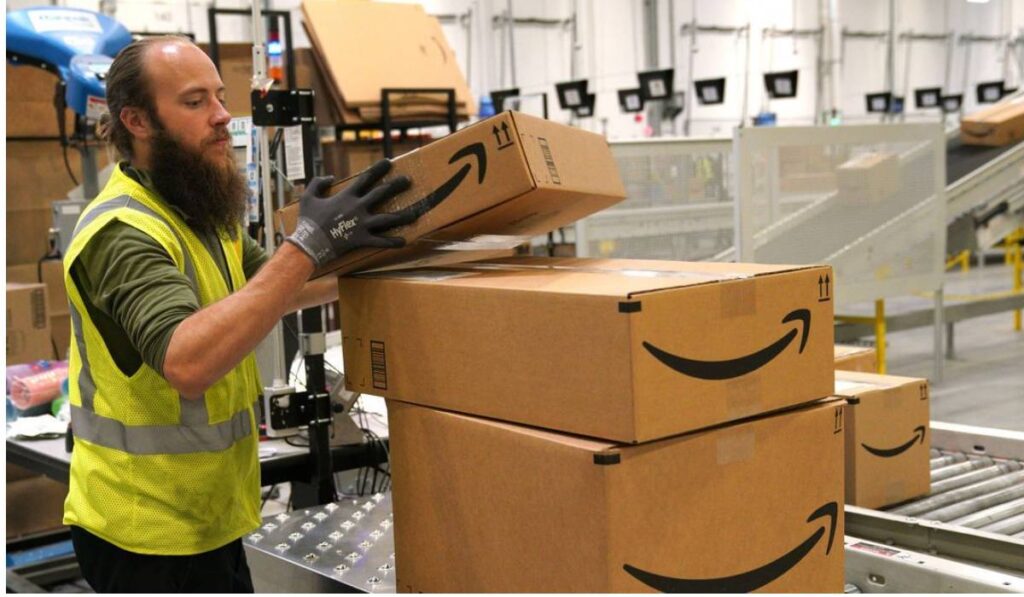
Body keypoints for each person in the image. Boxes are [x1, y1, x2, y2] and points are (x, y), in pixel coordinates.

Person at [61, 35, 419, 592]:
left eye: (221, 97)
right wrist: (305, 245)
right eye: (195, 101)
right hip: (144, 533)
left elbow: (274, 288)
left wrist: (374, 251)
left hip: (211, 517)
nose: (224, 116)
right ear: (136, 120)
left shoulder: (196, 209)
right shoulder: (122, 231)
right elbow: (188, 361)